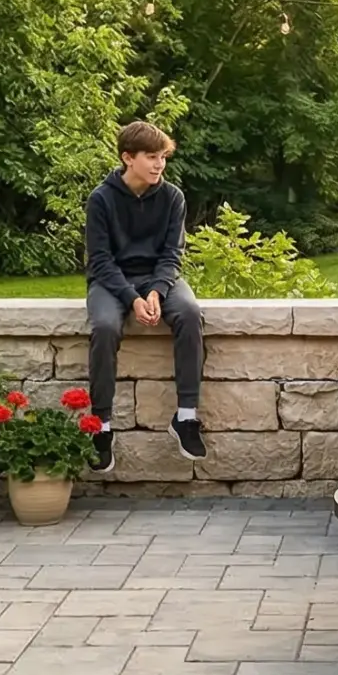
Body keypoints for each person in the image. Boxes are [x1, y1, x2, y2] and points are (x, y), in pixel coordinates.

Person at [84, 120, 207, 472]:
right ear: (128, 157)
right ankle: (102, 427)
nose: (159, 165)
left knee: (188, 313)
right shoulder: (101, 200)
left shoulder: (173, 198)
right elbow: (101, 261)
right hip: (111, 281)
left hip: (159, 278)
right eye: (151, 157)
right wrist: (132, 299)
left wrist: (155, 291)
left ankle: (185, 417)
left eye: (163, 157)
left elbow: (173, 254)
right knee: (105, 327)